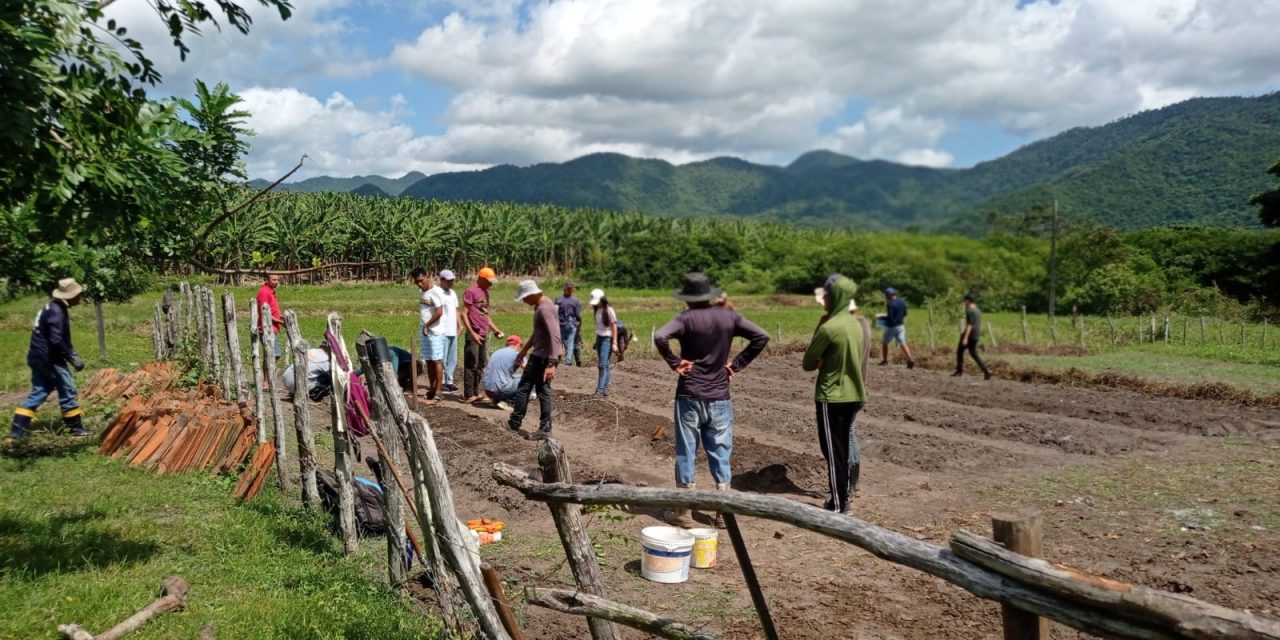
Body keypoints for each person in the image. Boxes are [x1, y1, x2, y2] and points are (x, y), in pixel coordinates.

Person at [654, 272, 770, 529]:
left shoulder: (685, 319)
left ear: (687, 298)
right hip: (719, 396)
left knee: (687, 451)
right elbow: (762, 337)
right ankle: (722, 513)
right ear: (708, 295)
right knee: (720, 453)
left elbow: (660, 336)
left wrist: (675, 363)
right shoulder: (728, 316)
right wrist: (736, 365)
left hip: (690, 395)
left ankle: (683, 512)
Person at [802, 274, 868, 514]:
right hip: (855, 393)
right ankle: (841, 497)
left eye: (827, 295)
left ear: (835, 296)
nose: (825, 299)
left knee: (833, 451)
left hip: (832, 396)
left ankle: (839, 505)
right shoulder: (856, 324)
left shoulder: (829, 327)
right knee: (842, 447)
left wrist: (820, 360)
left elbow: (808, 362)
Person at [10, 278, 90, 440]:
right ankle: (76, 428)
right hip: (49, 358)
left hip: (37, 355)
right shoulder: (57, 312)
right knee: (67, 388)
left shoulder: (52, 307)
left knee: (40, 391)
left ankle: (16, 433)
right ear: (69, 296)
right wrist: (72, 357)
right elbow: (56, 339)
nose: (80, 298)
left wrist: (71, 353)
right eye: (78, 295)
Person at [507, 280, 562, 439]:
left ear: (531, 294)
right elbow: (538, 333)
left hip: (542, 357)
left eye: (525, 297)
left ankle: (514, 423)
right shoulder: (542, 306)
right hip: (542, 354)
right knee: (543, 391)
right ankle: (544, 428)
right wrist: (524, 349)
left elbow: (555, 336)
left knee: (524, 388)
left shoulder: (545, 308)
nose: (524, 301)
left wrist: (552, 363)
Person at [461, 267, 504, 404]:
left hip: (484, 332)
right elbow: (464, 313)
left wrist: (495, 329)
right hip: (474, 332)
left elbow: (485, 315)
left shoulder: (485, 292)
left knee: (481, 363)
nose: (490, 284)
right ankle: (468, 394)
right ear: (481, 278)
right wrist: (472, 333)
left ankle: (475, 391)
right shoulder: (471, 291)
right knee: (471, 363)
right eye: (488, 281)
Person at [411, 267, 443, 405]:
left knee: (437, 361)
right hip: (424, 331)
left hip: (434, 331)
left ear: (427, 276)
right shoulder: (422, 292)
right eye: (416, 282)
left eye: (421, 281)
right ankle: (431, 388)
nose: (419, 284)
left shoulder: (436, 292)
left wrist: (427, 325)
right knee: (428, 360)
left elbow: (439, 312)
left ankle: (438, 392)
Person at [954, 293, 992, 380]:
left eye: (965, 301)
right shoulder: (978, 310)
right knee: (974, 354)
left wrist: (965, 338)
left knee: (959, 352)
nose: (964, 303)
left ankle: (959, 371)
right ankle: (986, 370)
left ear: (968, 301)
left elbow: (969, 325)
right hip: (976, 334)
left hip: (969, 335)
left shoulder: (969, 311)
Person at [436, 270, 462, 393]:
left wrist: (460, 325)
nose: (450, 282)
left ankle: (449, 381)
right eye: (448, 280)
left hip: (453, 330)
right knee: (443, 358)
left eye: (452, 280)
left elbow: (456, 310)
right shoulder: (438, 293)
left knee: (453, 358)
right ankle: (440, 382)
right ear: (441, 280)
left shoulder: (453, 293)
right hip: (443, 330)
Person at [588, 288, 617, 396]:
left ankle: (600, 390)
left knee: (602, 364)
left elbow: (614, 326)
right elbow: (599, 327)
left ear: (602, 299)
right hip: (599, 338)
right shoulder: (597, 310)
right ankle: (605, 388)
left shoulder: (609, 310)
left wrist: (614, 343)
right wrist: (596, 341)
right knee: (605, 364)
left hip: (607, 339)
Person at [483, 335, 524, 409]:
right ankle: (508, 402)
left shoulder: (496, 352)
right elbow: (530, 368)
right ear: (517, 344)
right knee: (530, 380)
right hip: (499, 391)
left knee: (516, 376)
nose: (521, 347)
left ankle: (495, 401)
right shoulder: (516, 354)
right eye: (521, 345)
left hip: (487, 391)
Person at [880, 287, 915, 369]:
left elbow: (890, 318)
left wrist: (882, 318)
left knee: (885, 343)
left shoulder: (890, 304)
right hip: (901, 326)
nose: (885, 296)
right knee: (903, 343)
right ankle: (910, 359)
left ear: (889, 295)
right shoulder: (902, 302)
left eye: (886, 295)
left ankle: (885, 360)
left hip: (892, 327)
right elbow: (905, 313)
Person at [256, 274, 284, 358]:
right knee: (274, 355)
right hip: (266, 328)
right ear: (266, 280)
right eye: (274, 280)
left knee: (271, 355)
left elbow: (272, 310)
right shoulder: (264, 292)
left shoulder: (270, 292)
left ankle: (268, 371)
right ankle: (268, 371)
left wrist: (282, 317)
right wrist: (281, 322)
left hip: (271, 328)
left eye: (277, 280)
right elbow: (264, 313)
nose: (276, 282)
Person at [556, 283, 582, 367]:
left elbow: (555, 312)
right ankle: (568, 360)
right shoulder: (575, 300)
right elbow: (578, 315)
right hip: (571, 323)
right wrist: (578, 325)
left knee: (559, 342)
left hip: (561, 323)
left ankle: (557, 358)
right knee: (570, 342)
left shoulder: (558, 299)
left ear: (564, 289)